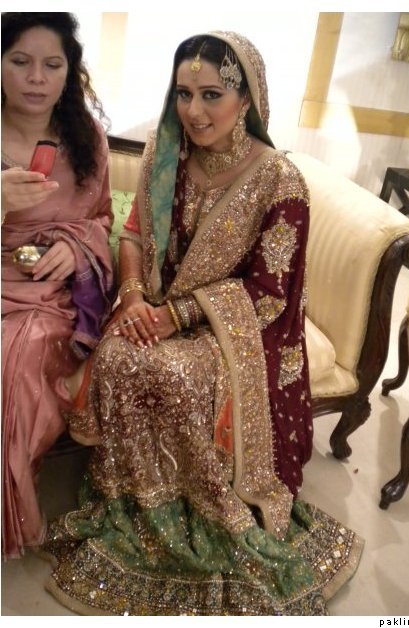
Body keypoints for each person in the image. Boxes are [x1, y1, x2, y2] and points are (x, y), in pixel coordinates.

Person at [41, 31, 362, 615]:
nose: (193, 110)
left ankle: (202, 510)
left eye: (212, 94)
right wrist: (133, 299)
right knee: (119, 354)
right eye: (184, 94)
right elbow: (134, 234)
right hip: (155, 307)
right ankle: (136, 501)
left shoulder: (278, 181)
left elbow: (269, 294)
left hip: (233, 331)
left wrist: (178, 316)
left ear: (247, 99)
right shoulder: (169, 155)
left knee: (174, 375)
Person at [1, 12, 115, 560]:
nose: (36, 78)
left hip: (51, 300)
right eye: (20, 61)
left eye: (52, 65)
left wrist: (77, 246)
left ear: (70, 73)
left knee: (14, 360)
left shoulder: (85, 139)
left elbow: (104, 218)